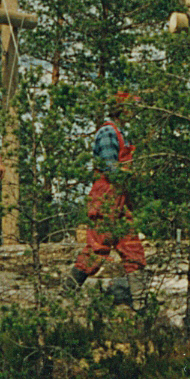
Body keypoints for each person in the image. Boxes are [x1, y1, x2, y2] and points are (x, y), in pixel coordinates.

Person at [69, 93, 145, 306]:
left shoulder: (122, 133)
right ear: (122, 108)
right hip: (106, 196)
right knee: (97, 248)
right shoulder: (107, 132)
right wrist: (135, 174)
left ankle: (141, 304)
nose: (134, 111)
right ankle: (64, 296)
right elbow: (112, 170)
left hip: (121, 198)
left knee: (133, 248)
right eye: (131, 107)